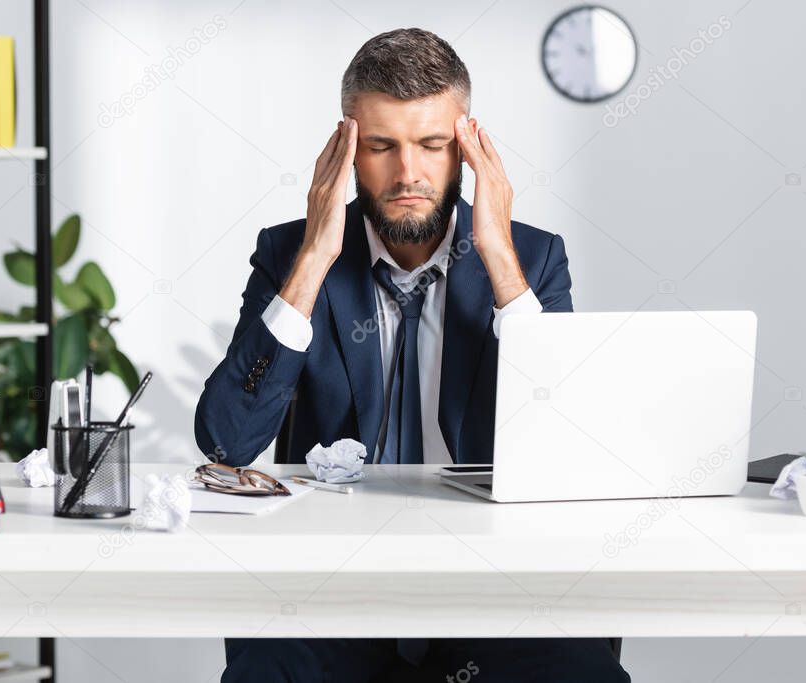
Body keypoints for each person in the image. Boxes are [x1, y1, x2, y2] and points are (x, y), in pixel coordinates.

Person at [196, 26, 629, 683]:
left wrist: (502, 265)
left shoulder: (532, 258)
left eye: (431, 145)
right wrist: (314, 258)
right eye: (381, 147)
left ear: (466, 145)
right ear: (345, 150)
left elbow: (572, 446)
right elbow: (227, 441)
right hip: (335, 591)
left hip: (494, 588)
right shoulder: (291, 253)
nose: (408, 174)